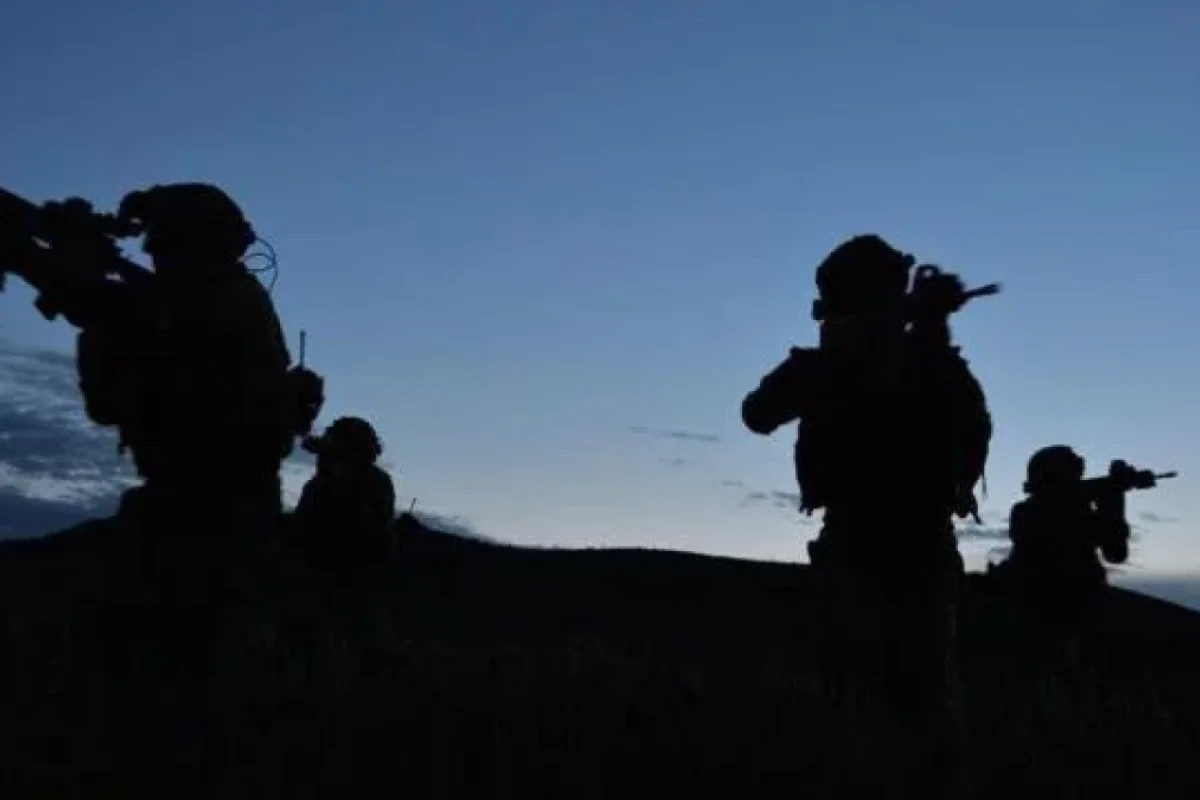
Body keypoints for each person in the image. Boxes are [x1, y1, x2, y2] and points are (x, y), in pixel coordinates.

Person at [740, 234, 993, 795]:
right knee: (916, 702)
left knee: (865, 702)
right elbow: (759, 413)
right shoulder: (921, 361)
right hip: (911, 548)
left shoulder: (894, 362)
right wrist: (920, 332)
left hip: (869, 547)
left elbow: (757, 413)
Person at [1000, 446, 1131, 668]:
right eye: (1071, 478)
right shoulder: (1026, 513)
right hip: (1039, 617)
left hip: (1077, 617)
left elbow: (1116, 553)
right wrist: (1109, 498)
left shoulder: (1074, 511)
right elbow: (1059, 541)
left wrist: (1113, 500)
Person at [293, 416, 397, 642]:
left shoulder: (375, 483)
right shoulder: (318, 484)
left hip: (355, 580)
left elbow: (378, 538)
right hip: (316, 578)